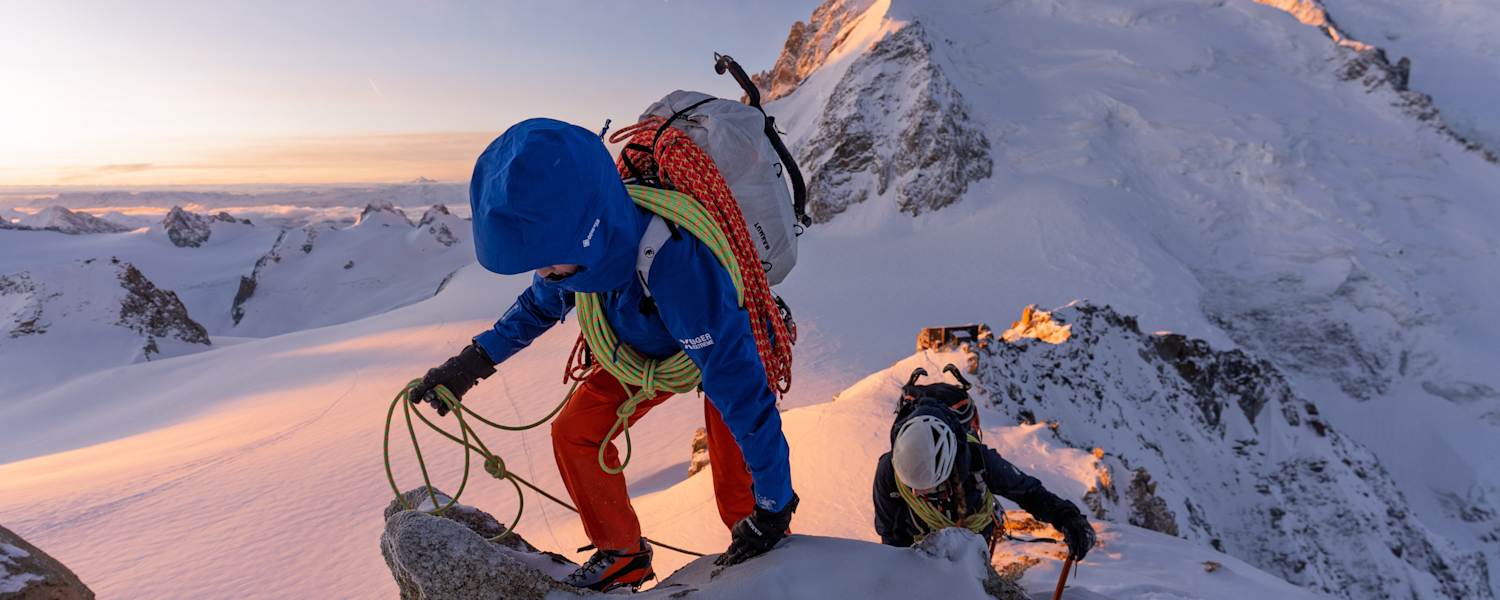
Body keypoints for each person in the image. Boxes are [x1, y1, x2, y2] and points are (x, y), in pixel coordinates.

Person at [409, 118, 797, 592]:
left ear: (584, 231)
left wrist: (775, 505)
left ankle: (768, 567)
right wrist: (468, 367)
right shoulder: (578, 256)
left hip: (717, 345)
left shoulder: (677, 263)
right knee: (575, 432)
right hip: (640, 350)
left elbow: (740, 389)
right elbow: (537, 307)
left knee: (742, 489)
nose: (545, 272)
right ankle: (622, 553)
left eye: (549, 258)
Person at [873, 400, 1095, 561]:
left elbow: (1028, 492)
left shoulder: (979, 461)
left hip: (974, 544)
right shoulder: (888, 472)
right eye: (910, 486)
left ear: (949, 467)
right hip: (918, 554)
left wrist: (1068, 517)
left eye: (928, 487)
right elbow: (891, 537)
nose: (916, 495)